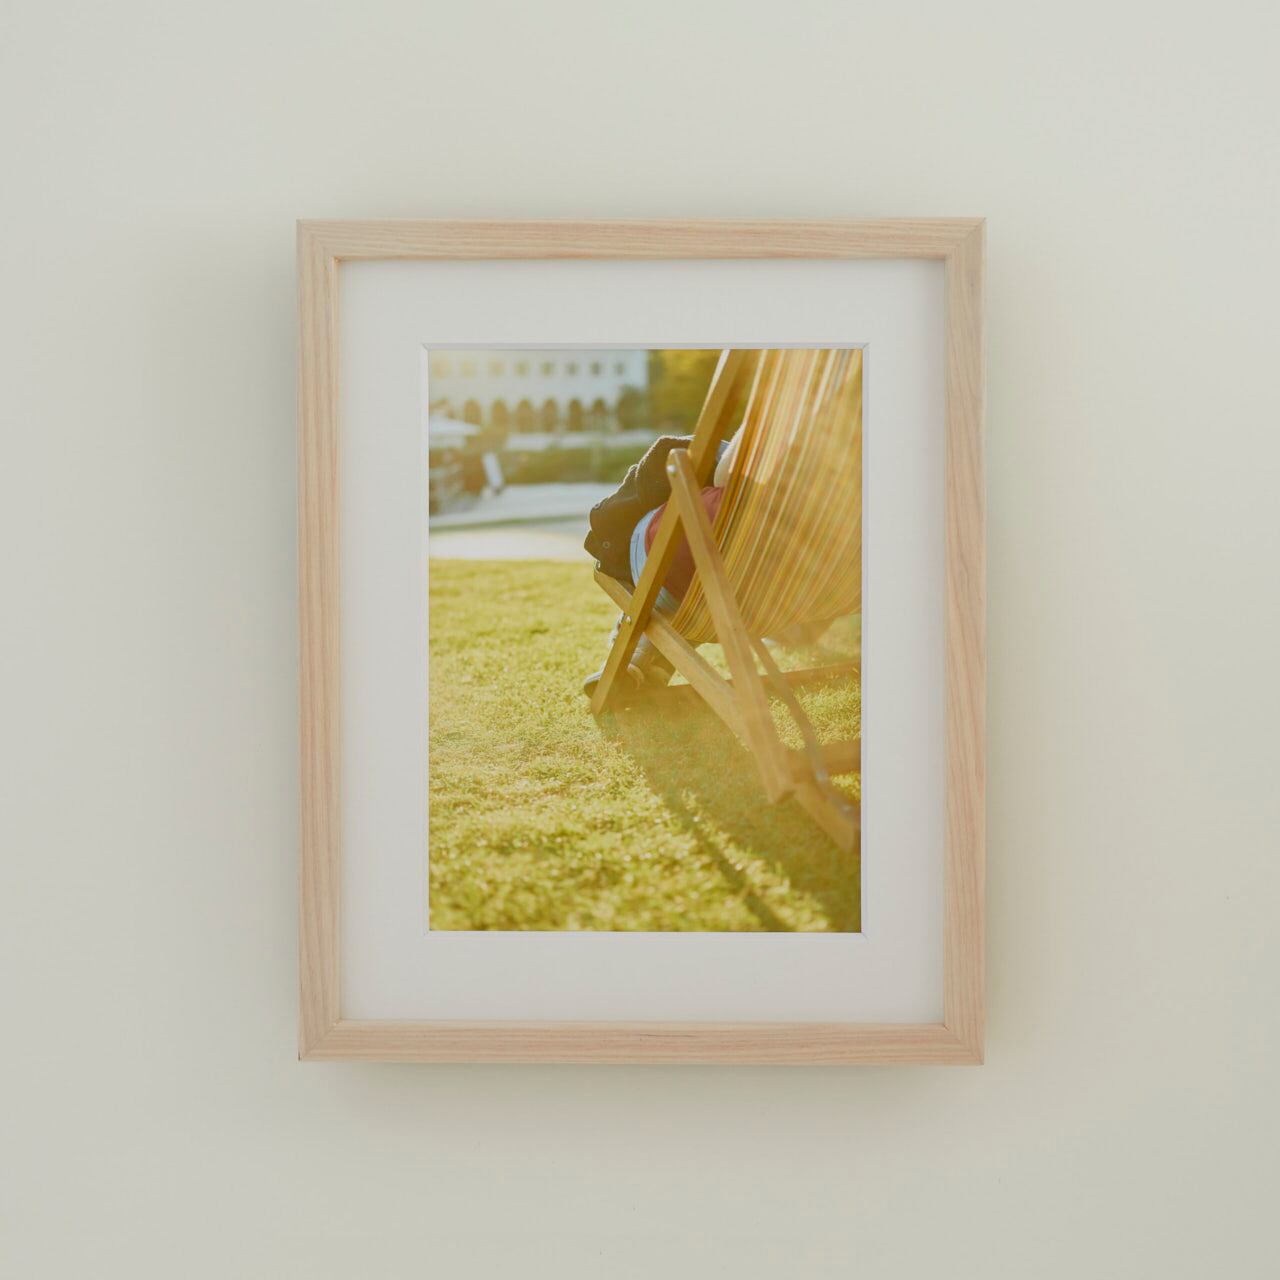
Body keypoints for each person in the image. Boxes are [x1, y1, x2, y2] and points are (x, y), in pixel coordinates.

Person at [581, 428, 742, 696]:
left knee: (676, 455)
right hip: (776, 600)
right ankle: (652, 660)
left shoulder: (785, 420)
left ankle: (635, 651)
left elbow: (725, 474)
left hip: (696, 578)